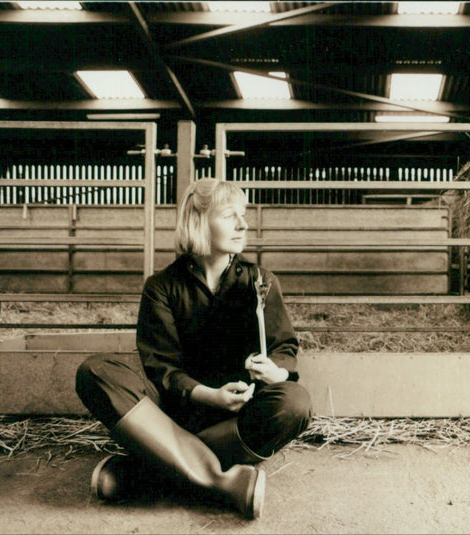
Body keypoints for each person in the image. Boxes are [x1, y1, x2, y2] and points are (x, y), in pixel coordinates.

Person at [76, 178, 311, 519]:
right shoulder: (161, 287)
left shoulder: (262, 281)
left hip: (237, 417)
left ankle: (148, 471)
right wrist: (209, 395)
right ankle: (221, 480)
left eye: (243, 214)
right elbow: (162, 369)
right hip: (173, 415)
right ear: (198, 221)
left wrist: (277, 371)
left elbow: (284, 346)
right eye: (230, 214)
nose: (244, 224)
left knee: (296, 402)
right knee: (95, 372)